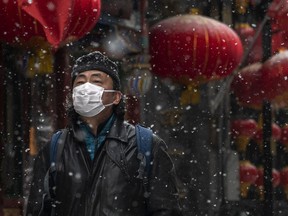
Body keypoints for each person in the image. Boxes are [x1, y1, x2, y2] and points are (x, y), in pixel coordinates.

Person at [26, 51, 183, 216]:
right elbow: (37, 209)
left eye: (96, 81)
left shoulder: (146, 145)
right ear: (72, 96)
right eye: (80, 82)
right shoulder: (55, 147)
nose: (86, 88)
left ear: (115, 97)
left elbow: (166, 209)